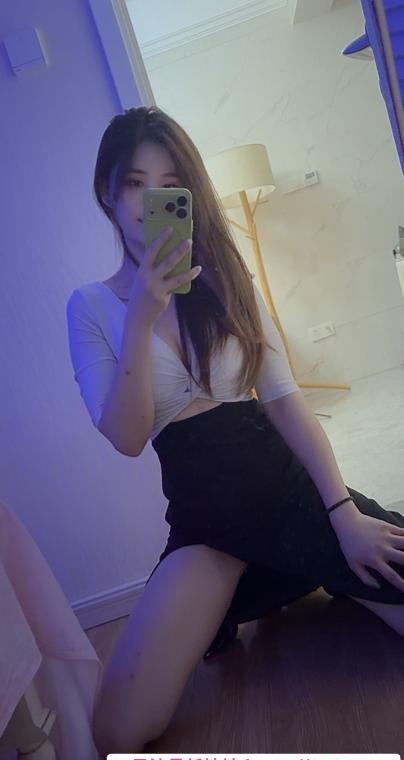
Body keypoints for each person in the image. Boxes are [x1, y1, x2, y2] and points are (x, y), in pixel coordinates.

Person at [66, 105, 404, 756]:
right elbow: (127, 438)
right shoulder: (91, 306)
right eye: (135, 183)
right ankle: (273, 585)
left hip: (286, 490)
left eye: (169, 185)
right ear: (107, 191)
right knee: (118, 728)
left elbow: (284, 402)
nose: (150, 202)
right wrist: (141, 317)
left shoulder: (226, 278)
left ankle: (314, 565)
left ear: (188, 196)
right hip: (207, 523)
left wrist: (342, 513)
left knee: (383, 565)